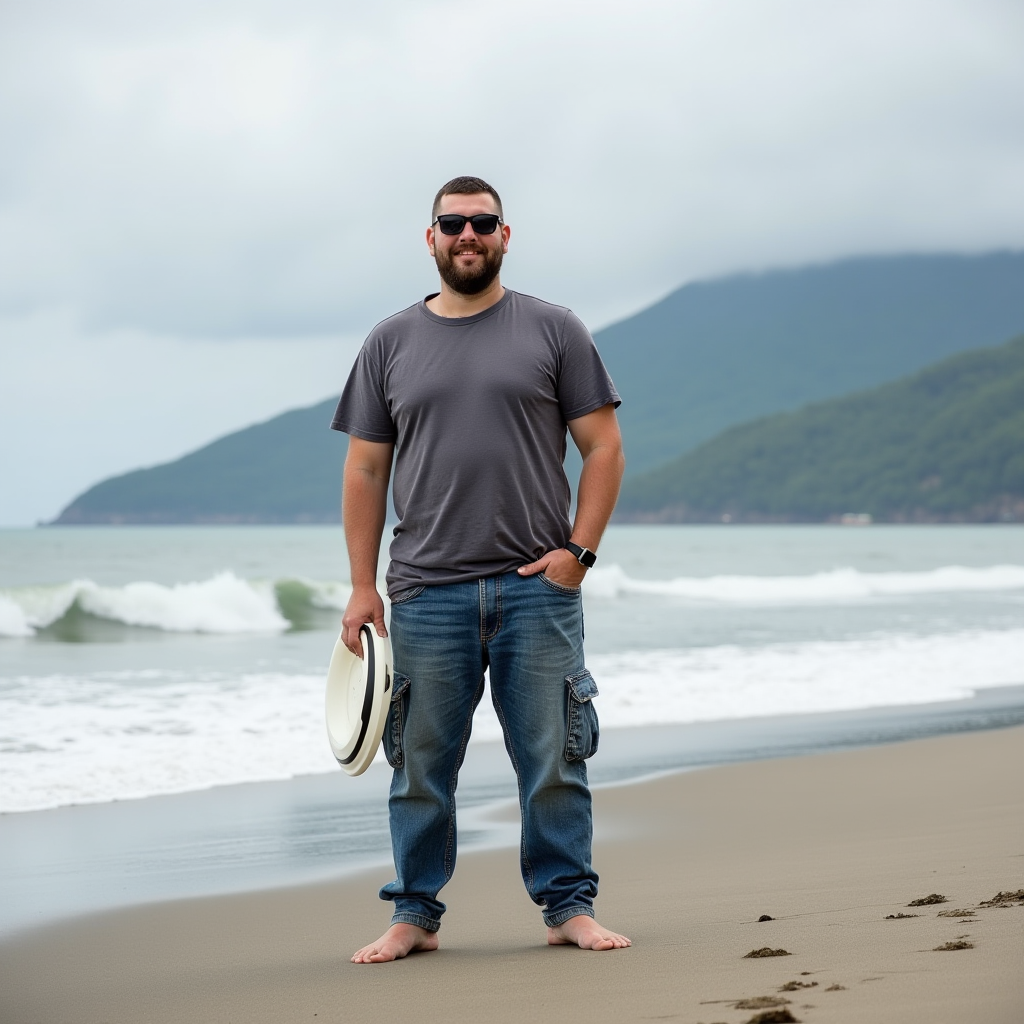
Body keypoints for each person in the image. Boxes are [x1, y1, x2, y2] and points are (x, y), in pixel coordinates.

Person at [332, 175, 629, 963]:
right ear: (429, 239)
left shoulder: (555, 329)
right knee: (420, 766)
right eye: (452, 223)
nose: (469, 234)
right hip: (426, 591)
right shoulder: (389, 342)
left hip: (538, 589)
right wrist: (363, 587)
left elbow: (603, 448)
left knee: (556, 759)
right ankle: (414, 916)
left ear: (506, 234)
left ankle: (569, 907)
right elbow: (364, 472)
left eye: (483, 223)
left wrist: (579, 554)